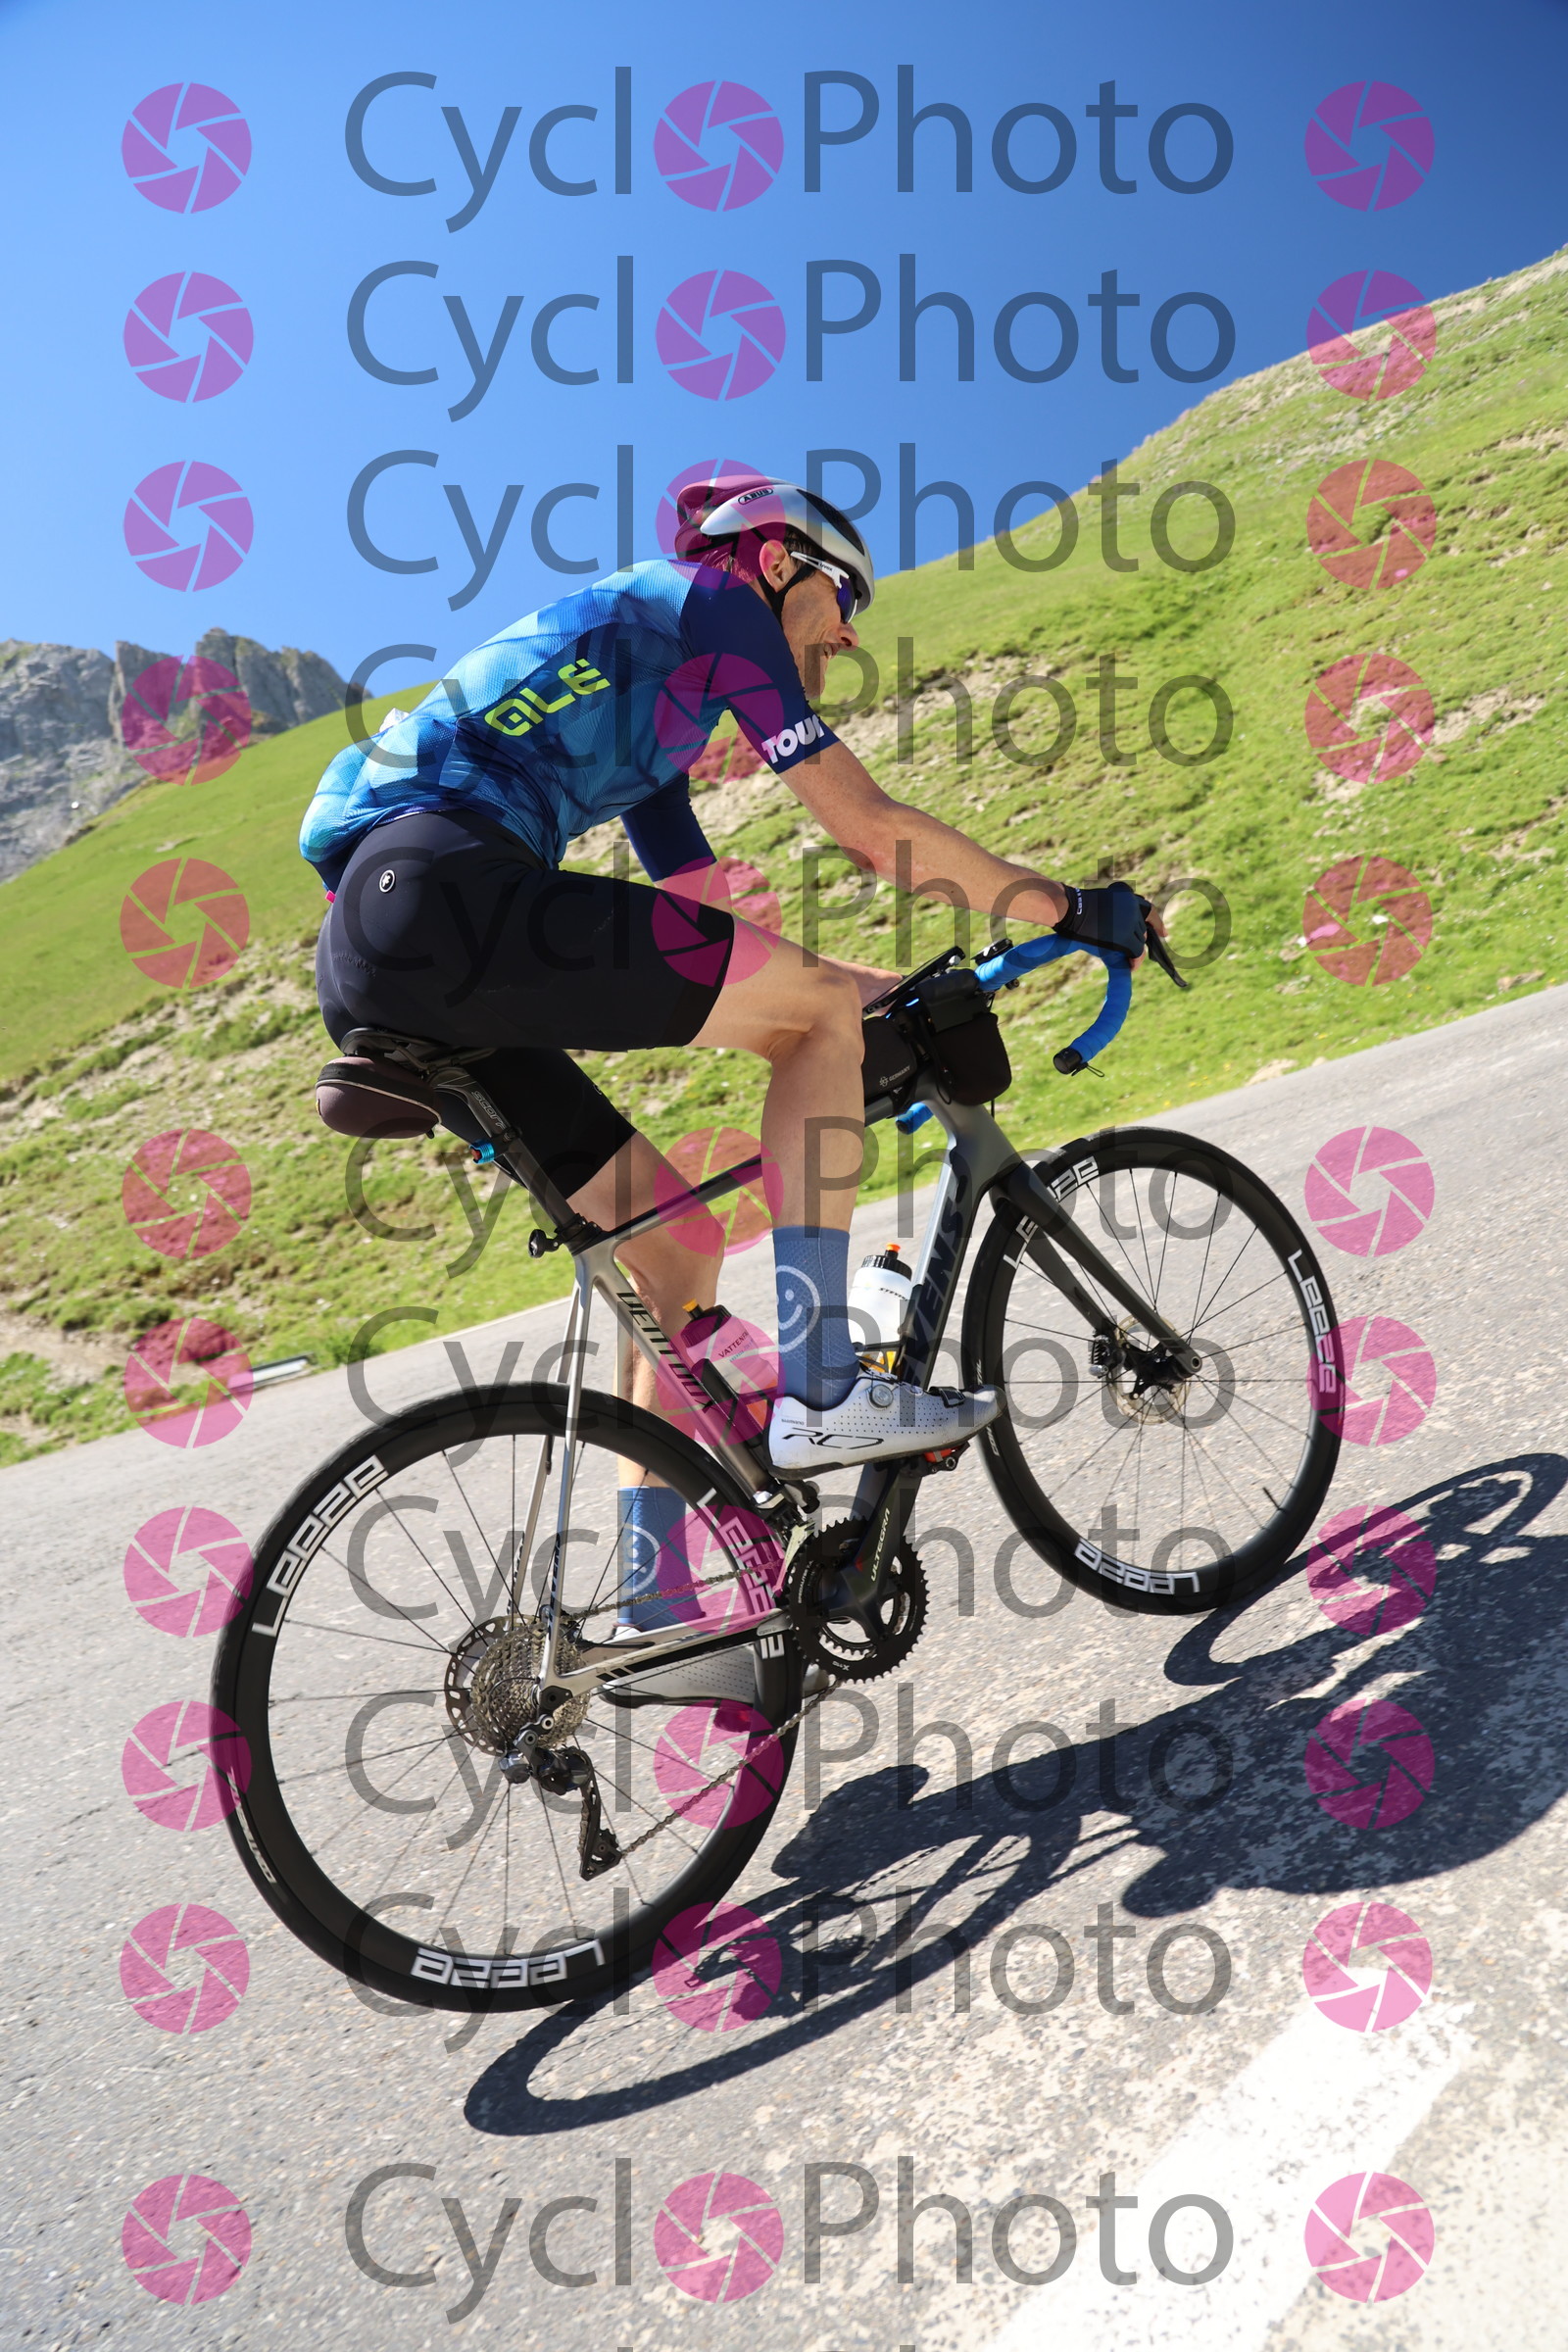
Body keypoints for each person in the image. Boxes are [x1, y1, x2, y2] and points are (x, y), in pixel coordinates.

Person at [301, 475, 1153, 1625]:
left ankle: (656, 1604)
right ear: (774, 560)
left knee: (677, 1245)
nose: (849, 632)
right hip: (448, 890)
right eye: (844, 594)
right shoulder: (709, 603)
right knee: (815, 1018)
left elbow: (714, 932)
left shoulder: (656, 723)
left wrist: (881, 997)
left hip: (380, 950)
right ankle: (825, 1386)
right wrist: (1068, 908)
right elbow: (871, 832)